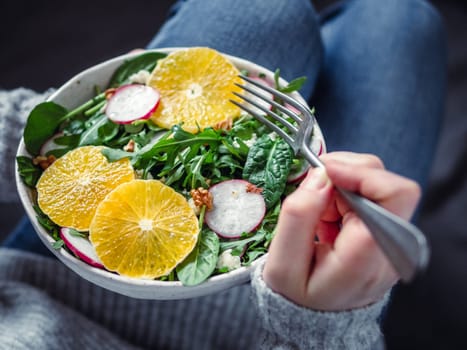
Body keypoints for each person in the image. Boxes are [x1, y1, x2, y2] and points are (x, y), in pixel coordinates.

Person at [0, 0, 446, 349]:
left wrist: (52, 141)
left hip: (43, 283)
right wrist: (318, 331)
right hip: (263, 326)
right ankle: (325, 60)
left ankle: (320, 63)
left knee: (264, 11)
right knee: (403, 19)